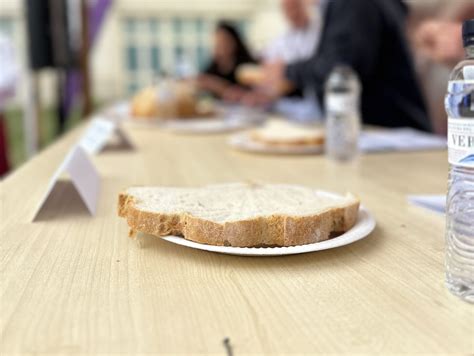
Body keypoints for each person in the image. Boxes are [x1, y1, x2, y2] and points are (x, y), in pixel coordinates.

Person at [248, 0, 432, 132]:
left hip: (391, 135)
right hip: (382, 131)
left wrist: (286, 71)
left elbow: (340, 71)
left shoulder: (353, 5)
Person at [263, 0, 324, 121]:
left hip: (315, 106)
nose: (292, 13)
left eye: (295, 7)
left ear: (304, 6)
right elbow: (269, 72)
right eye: (288, 9)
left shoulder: (321, 32)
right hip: (286, 106)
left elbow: (322, 67)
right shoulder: (279, 41)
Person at [197, 21, 256, 101]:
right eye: (218, 41)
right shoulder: (213, 67)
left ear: (234, 41)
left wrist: (217, 86)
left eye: (224, 40)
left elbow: (248, 95)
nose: (221, 45)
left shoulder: (247, 68)